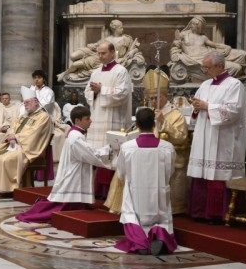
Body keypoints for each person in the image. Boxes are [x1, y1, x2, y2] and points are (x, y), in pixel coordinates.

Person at [106, 69, 190, 214]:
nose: (153, 101)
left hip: (167, 157)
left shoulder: (176, 115)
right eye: (151, 98)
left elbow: (181, 137)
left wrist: (164, 122)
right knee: (125, 166)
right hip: (145, 154)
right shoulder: (149, 112)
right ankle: (122, 205)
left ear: (165, 96)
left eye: (156, 98)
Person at [16, 106, 112, 223]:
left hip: (73, 169)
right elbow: (91, 154)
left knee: (64, 202)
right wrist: (108, 150)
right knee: (60, 204)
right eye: (87, 119)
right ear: (77, 121)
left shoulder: (76, 134)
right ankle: (35, 212)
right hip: (73, 173)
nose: (90, 121)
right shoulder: (76, 137)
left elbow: (88, 151)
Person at [186, 51, 246, 222]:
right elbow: (196, 108)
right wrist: (196, 107)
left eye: (207, 67)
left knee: (218, 173)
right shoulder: (205, 84)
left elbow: (233, 111)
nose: (204, 71)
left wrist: (208, 106)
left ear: (220, 66)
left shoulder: (234, 85)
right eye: (204, 67)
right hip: (204, 135)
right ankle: (199, 211)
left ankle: (217, 213)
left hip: (223, 139)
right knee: (202, 172)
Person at [114, 108, 178, 255]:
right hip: (159, 192)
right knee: (161, 218)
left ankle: (140, 242)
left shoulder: (127, 147)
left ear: (136, 125)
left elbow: (121, 173)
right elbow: (170, 172)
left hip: (135, 192)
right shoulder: (167, 147)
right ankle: (159, 235)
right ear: (154, 124)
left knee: (131, 214)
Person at [0, 87, 53, 195]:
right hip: (14, 144)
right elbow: (13, 126)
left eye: (27, 102)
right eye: (24, 102)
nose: (25, 105)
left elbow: (34, 133)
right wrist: (10, 135)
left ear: (36, 102)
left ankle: (8, 189)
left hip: (29, 148)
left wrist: (16, 137)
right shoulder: (24, 115)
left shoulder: (43, 117)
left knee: (5, 159)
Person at [84, 41, 133, 199]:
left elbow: (122, 93)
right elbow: (87, 92)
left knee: (111, 155)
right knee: (97, 153)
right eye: (98, 53)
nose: (100, 56)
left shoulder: (121, 71)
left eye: (103, 53)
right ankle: (95, 189)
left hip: (113, 119)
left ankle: (109, 192)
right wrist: (94, 92)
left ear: (112, 52)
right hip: (97, 118)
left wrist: (102, 89)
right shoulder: (96, 72)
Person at [57, 20, 145, 83]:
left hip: (109, 60)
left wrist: (132, 52)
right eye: (120, 28)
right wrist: (92, 46)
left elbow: (135, 48)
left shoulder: (126, 38)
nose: (122, 29)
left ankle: (64, 74)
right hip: (98, 57)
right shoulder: (107, 39)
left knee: (76, 64)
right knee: (74, 60)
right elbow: (97, 46)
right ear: (115, 29)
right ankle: (64, 73)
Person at [169, 16, 246, 82]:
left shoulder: (203, 37)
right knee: (236, 67)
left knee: (243, 54)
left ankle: (231, 79)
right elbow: (175, 44)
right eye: (192, 23)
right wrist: (175, 44)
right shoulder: (184, 34)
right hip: (199, 60)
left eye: (195, 24)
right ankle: (224, 81)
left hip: (210, 55)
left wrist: (228, 47)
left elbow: (215, 45)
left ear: (200, 26)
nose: (192, 25)